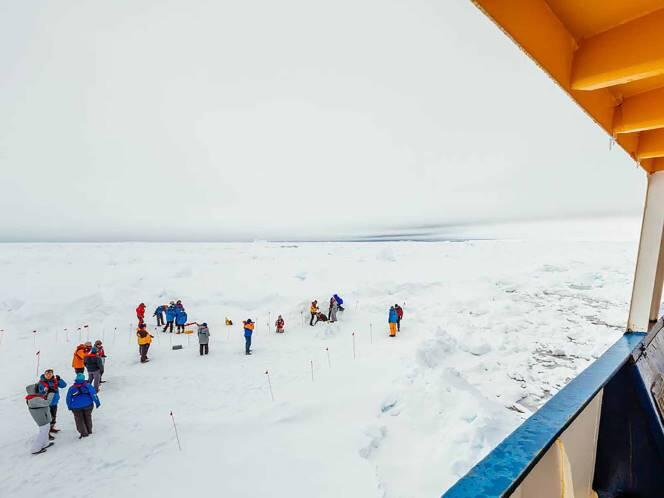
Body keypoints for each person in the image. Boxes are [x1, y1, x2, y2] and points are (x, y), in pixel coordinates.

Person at [66, 373, 100, 439]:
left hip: (76, 407)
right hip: (88, 405)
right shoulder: (88, 386)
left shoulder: (72, 388)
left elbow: (68, 398)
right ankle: (89, 430)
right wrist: (97, 402)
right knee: (88, 417)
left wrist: (69, 406)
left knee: (79, 420)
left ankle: (84, 433)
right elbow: (94, 394)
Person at [25, 383, 55, 454]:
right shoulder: (34, 399)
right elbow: (47, 402)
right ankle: (35, 449)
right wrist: (51, 393)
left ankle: (45, 443)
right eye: (38, 388)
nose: (40, 389)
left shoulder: (34, 396)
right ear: (33, 390)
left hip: (43, 415)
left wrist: (48, 392)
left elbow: (42, 397)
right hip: (41, 418)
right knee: (43, 431)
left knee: (46, 429)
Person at [38, 369, 67, 435]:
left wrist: (59, 379)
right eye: (47, 374)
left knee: (53, 416)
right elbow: (40, 392)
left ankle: (51, 428)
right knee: (48, 418)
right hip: (46, 403)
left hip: (54, 402)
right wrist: (46, 390)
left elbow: (64, 385)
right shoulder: (41, 382)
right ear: (44, 374)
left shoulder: (55, 381)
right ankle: (47, 433)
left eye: (50, 374)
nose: (48, 375)